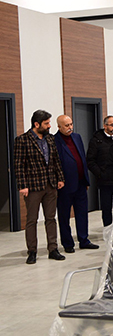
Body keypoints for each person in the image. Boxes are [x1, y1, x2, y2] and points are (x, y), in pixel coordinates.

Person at [14, 109, 66, 264]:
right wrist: (22, 185)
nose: (49, 126)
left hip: (50, 184)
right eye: (46, 123)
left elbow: (56, 160)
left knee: (51, 218)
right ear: (36, 124)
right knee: (32, 220)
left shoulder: (50, 139)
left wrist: (60, 178)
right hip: (33, 186)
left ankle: (53, 249)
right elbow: (18, 165)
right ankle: (32, 251)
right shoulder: (22, 140)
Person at [54, 115, 99, 253]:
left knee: (82, 213)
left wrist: (86, 179)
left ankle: (84, 240)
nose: (70, 127)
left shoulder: (77, 137)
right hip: (65, 185)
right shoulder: (54, 141)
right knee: (64, 216)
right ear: (59, 127)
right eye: (66, 125)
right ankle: (68, 243)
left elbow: (82, 159)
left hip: (80, 183)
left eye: (71, 124)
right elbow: (55, 164)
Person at [87, 115, 113, 226]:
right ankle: (108, 229)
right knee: (106, 207)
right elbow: (90, 161)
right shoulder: (96, 140)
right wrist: (100, 174)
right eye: (112, 125)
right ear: (105, 126)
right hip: (105, 180)